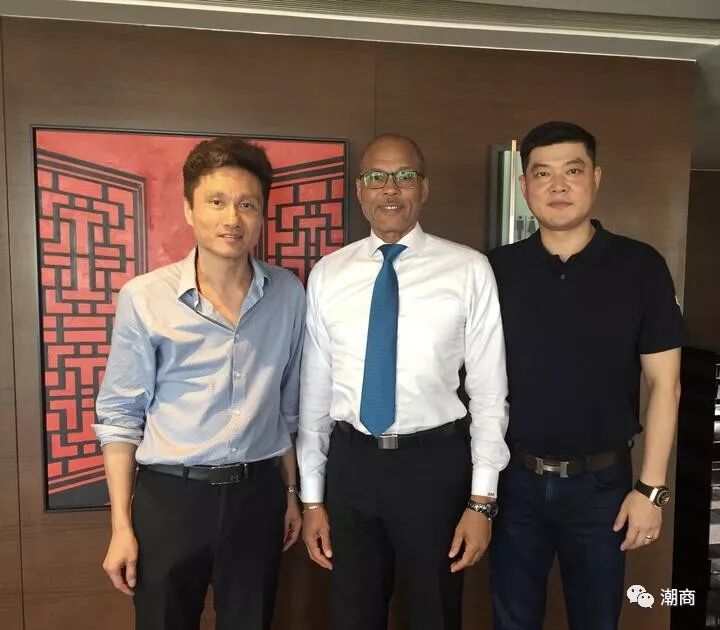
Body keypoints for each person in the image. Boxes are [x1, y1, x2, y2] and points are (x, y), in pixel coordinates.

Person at [297, 133, 509, 630]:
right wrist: (311, 498)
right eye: (377, 177)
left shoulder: (468, 269)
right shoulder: (328, 274)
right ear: (359, 190)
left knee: (434, 612)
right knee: (353, 615)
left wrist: (482, 501)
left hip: (432, 467)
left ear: (424, 188)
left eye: (405, 176)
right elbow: (314, 395)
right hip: (352, 466)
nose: (390, 189)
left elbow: (489, 392)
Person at [93, 137, 305, 630]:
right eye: (216, 201)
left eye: (247, 204)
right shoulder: (145, 297)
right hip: (171, 498)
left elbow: (287, 406)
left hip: (258, 496)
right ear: (189, 210)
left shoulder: (288, 293)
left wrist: (291, 493)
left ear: (262, 214)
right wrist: (121, 527)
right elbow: (120, 418)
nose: (232, 218)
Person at [488, 121, 685, 630]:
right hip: (514, 482)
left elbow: (666, 384)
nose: (558, 185)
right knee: (511, 621)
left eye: (572, 171)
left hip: (603, 488)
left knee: (597, 620)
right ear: (524, 185)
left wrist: (651, 490)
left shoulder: (640, 266)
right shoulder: (495, 270)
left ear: (595, 178)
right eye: (542, 173)